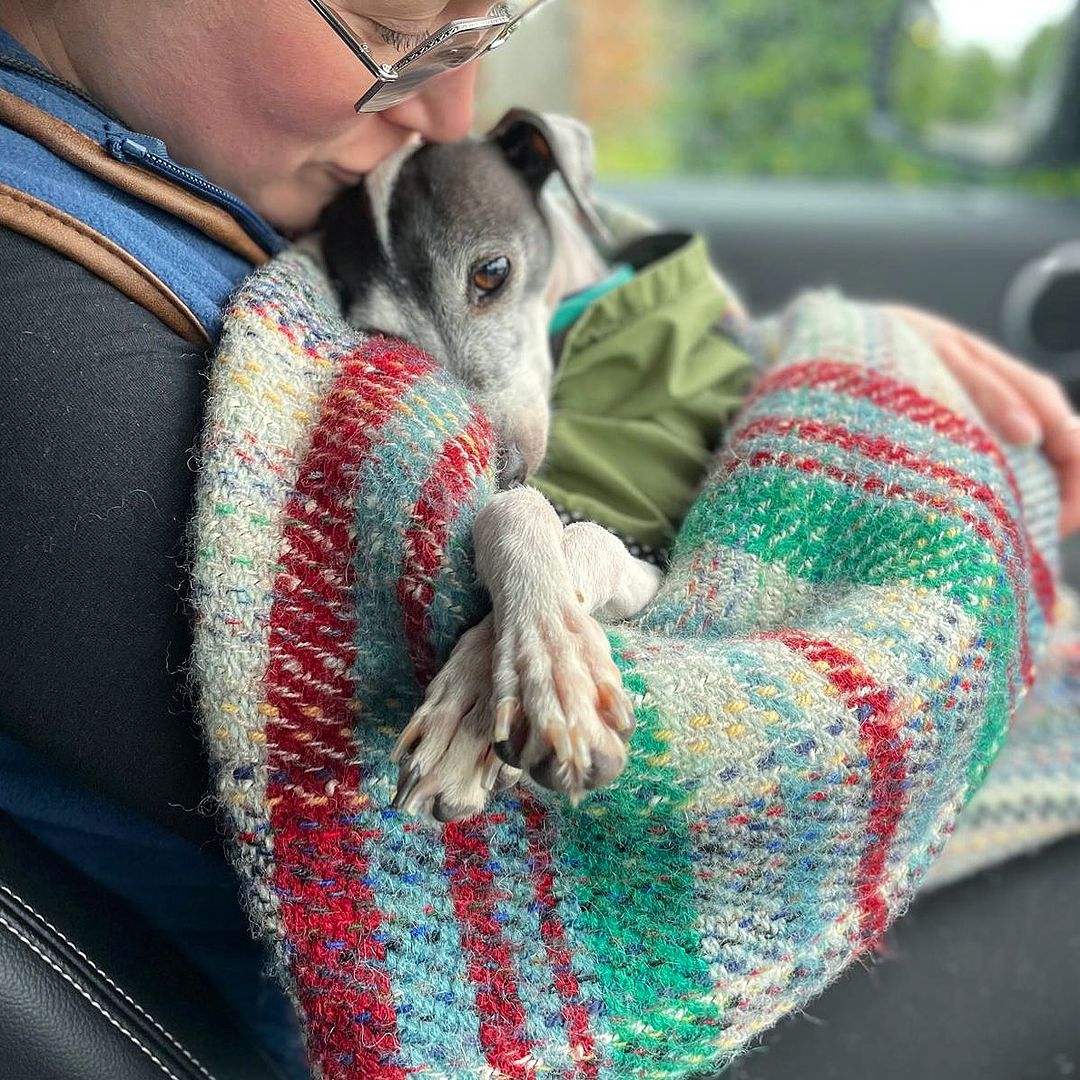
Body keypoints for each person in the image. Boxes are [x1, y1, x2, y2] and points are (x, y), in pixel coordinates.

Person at [1, 3, 1078, 1078]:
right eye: (393, 24)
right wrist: (892, 419)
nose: (450, 108)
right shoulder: (34, 306)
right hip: (519, 994)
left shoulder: (192, 174)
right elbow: (535, 761)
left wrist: (813, 361)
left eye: (489, 26)